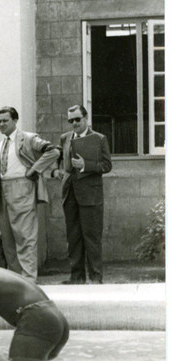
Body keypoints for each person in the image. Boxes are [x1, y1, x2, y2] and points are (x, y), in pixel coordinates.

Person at [0, 106, 59, 281]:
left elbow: (53, 151)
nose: (1, 124)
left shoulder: (28, 138)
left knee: (25, 237)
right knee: (8, 240)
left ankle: (29, 280)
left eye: (5, 120)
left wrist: (34, 170)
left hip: (22, 188)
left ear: (15, 120)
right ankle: (15, 281)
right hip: (2, 192)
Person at [57, 104, 112, 284]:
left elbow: (107, 165)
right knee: (73, 237)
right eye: (70, 120)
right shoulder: (65, 138)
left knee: (92, 237)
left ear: (86, 118)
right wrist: (57, 171)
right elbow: (58, 158)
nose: (74, 123)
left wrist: (85, 165)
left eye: (77, 119)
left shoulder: (99, 138)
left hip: (91, 195)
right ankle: (76, 277)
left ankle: (96, 278)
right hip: (70, 194)